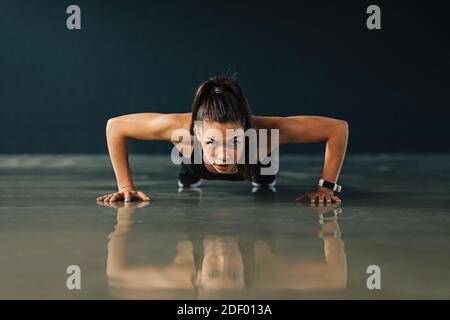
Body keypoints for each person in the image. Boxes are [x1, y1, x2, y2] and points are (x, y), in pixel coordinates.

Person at [96, 76, 348, 205]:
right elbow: (115, 127)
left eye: (235, 142)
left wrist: (326, 187)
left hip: (254, 167)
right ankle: (192, 170)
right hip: (195, 165)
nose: (224, 156)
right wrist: (125, 187)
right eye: (212, 143)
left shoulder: (267, 131)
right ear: (196, 132)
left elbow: (337, 129)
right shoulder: (180, 129)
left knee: (263, 179)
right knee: (190, 175)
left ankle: (262, 175)